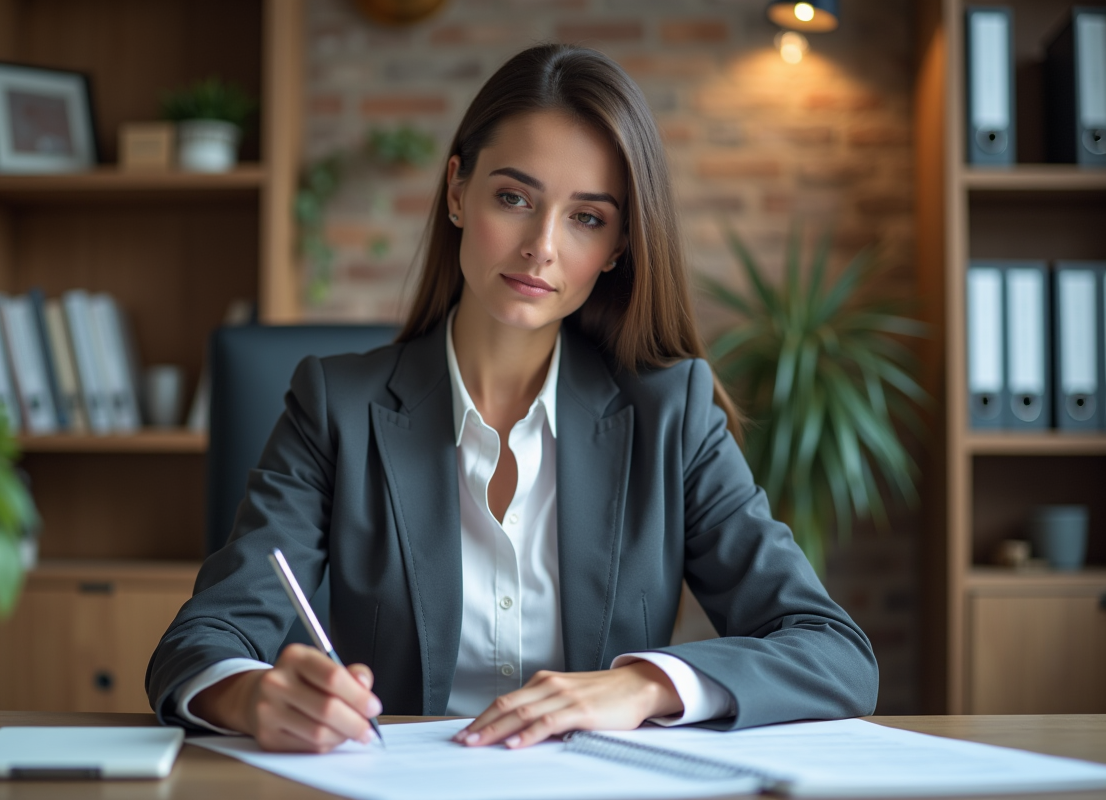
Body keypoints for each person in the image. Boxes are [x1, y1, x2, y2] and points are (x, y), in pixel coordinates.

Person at [146, 43, 877, 754]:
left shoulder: (670, 413)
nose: (542, 247)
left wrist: (644, 686)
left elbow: (832, 650)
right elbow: (204, 641)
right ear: (458, 190)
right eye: (514, 198)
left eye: (587, 217)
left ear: (619, 246)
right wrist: (252, 695)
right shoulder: (334, 406)